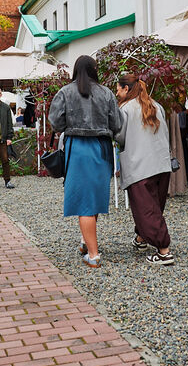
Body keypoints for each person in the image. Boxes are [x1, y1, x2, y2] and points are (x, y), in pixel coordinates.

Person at [48, 55, 122, 268]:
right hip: (101, 148)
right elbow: (117, 124)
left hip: (78, 149)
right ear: (94, 70)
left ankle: (93, 254)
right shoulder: (106, 93)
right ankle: (85, 241)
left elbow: (55, 123)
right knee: (94, 198)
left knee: (85, 202)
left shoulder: (65, 92)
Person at [115, 74, 174, 265]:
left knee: (145, 209)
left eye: (118, 89)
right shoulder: (157, 105)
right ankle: (141, 238)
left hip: (140, 165)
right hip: (162, 164)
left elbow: (120, 136)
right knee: (154, 205)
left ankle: (164, 251)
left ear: (126, 89)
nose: (116, 93)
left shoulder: (125, 109)